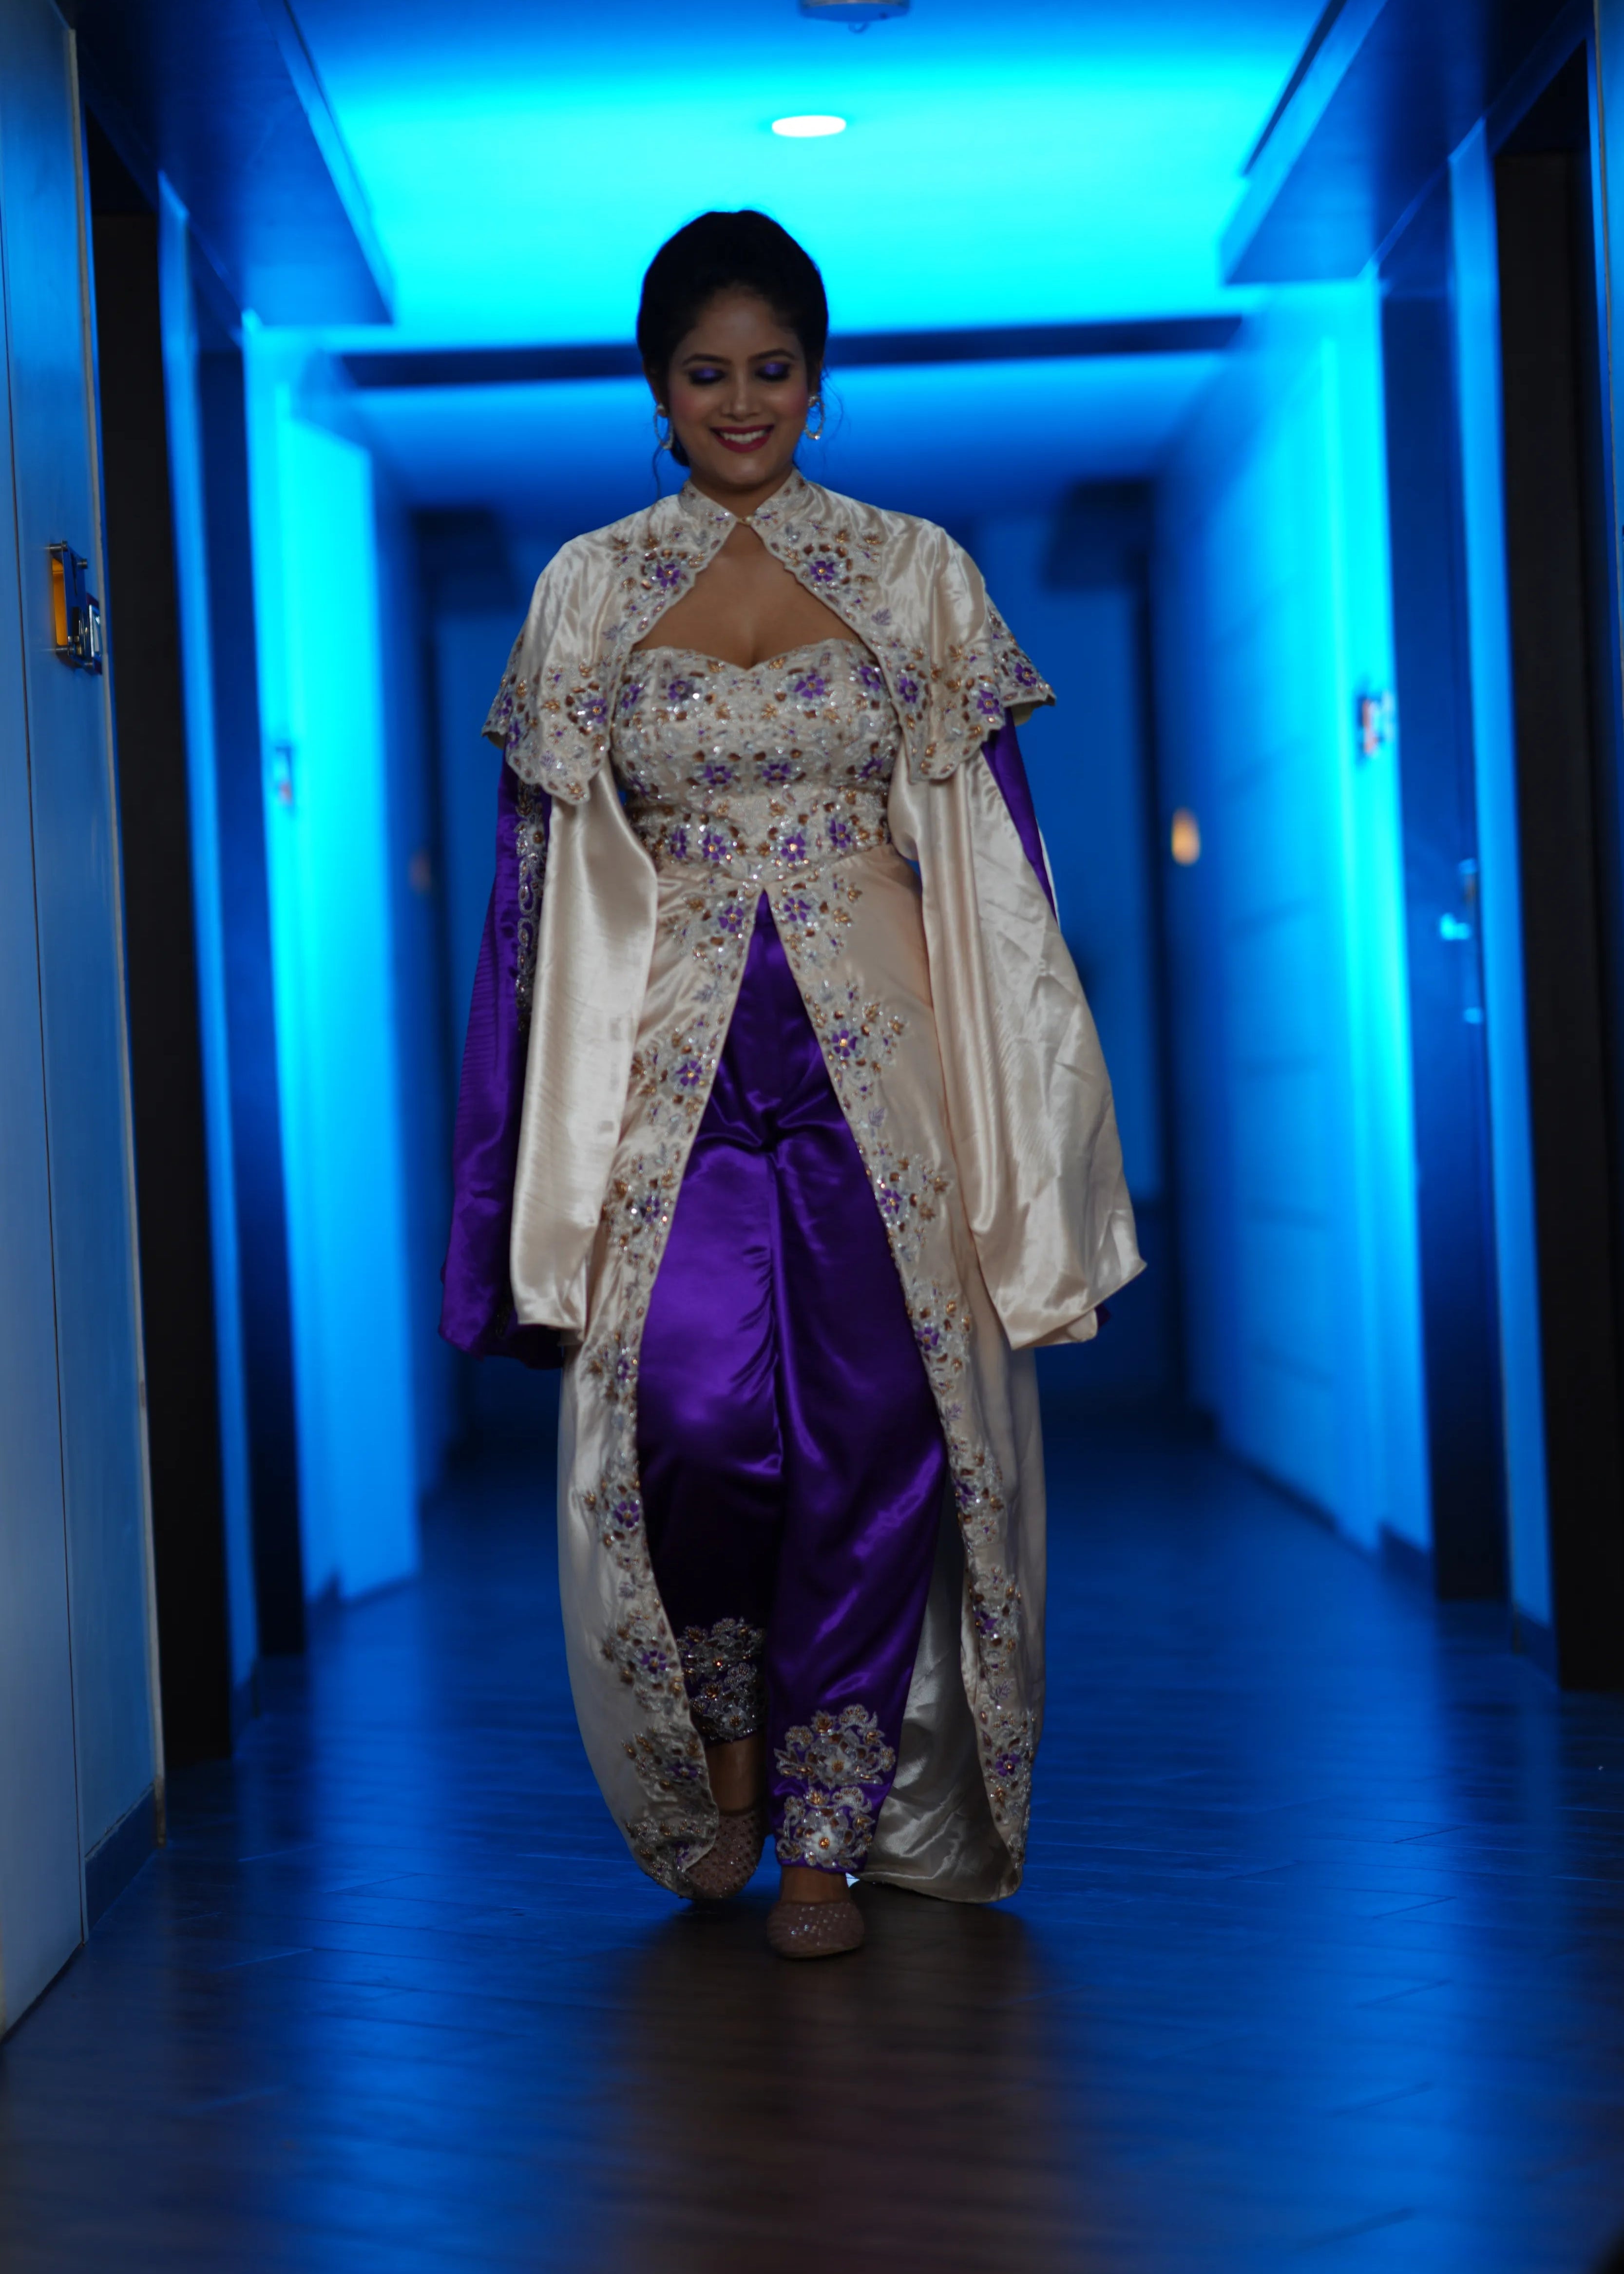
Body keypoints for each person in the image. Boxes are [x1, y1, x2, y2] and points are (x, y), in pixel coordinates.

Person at [442, 210, 1140, 1959]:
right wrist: (509, 1175)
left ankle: (827, 1828)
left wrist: (1031, 1139)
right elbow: (530, 895)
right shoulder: (588, 587)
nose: (741, 401)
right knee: (686, 1419)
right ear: (656, 389)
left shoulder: (916, 570)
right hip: (664, 1070)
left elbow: (1000, 866)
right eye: (706, 373)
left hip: (882, 1067)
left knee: (877, 1431)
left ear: (818, 383)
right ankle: (728, 1750)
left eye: (772, 369)